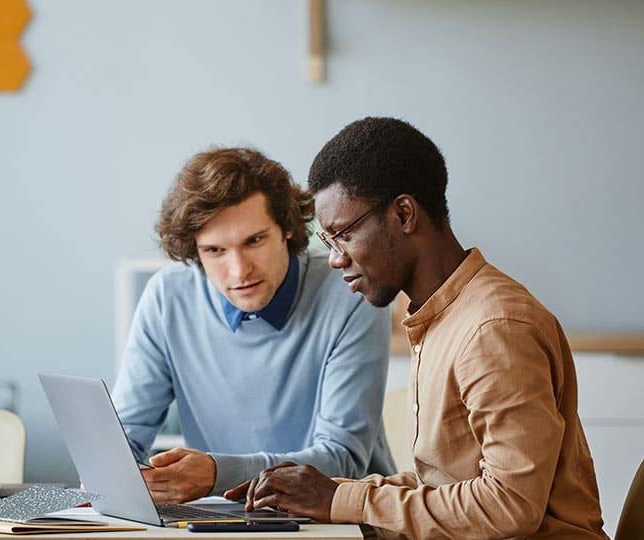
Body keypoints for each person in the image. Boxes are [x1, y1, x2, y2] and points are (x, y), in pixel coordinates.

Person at [226, 118, 607, 538]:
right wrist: (327, 493)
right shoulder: (445, 317)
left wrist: (340, 500)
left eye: (342, 236)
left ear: (403, 214)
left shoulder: (494, 328)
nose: (335, 259)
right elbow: (446, 490)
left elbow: (509, 504)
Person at [112, 146, 396, 505]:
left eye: (254, 241)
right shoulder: (167, 298)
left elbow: (342, 461)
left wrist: (217, 474)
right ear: (194, 252)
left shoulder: (351, 292)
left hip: (338, 519)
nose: (239, 270)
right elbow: (122, 441)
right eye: (215, 251)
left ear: (287, 231)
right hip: (222, 520)